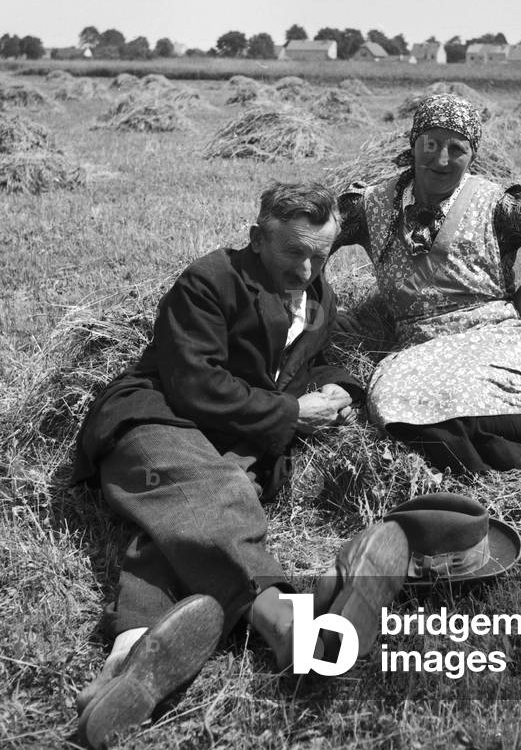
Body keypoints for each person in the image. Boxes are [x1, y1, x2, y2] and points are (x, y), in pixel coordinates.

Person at [71, 181, 409, 749]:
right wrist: (290, 411)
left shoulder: (316, 292)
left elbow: (303, 366)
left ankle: (128, 652)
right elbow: (193, 383)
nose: (308, 269)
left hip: (232, 438)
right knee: (218, 489)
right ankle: (289, 623)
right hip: (158, 420)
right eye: (294, 252)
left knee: (180, 521)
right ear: (257, 239)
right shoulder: (208, 282)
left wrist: (340, 391)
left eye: (321, 254)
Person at [333, 94, 521, 475]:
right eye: (430, 144)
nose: (441, 159)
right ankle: (515, 464)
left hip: (491, 332)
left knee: (479, 400)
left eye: (456, 148)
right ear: (412, 143)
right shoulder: (371, 204)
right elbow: (309, 238)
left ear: (473, 154)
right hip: (419, 343)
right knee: (393, 404)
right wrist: (321, 302)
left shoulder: (496, 203)